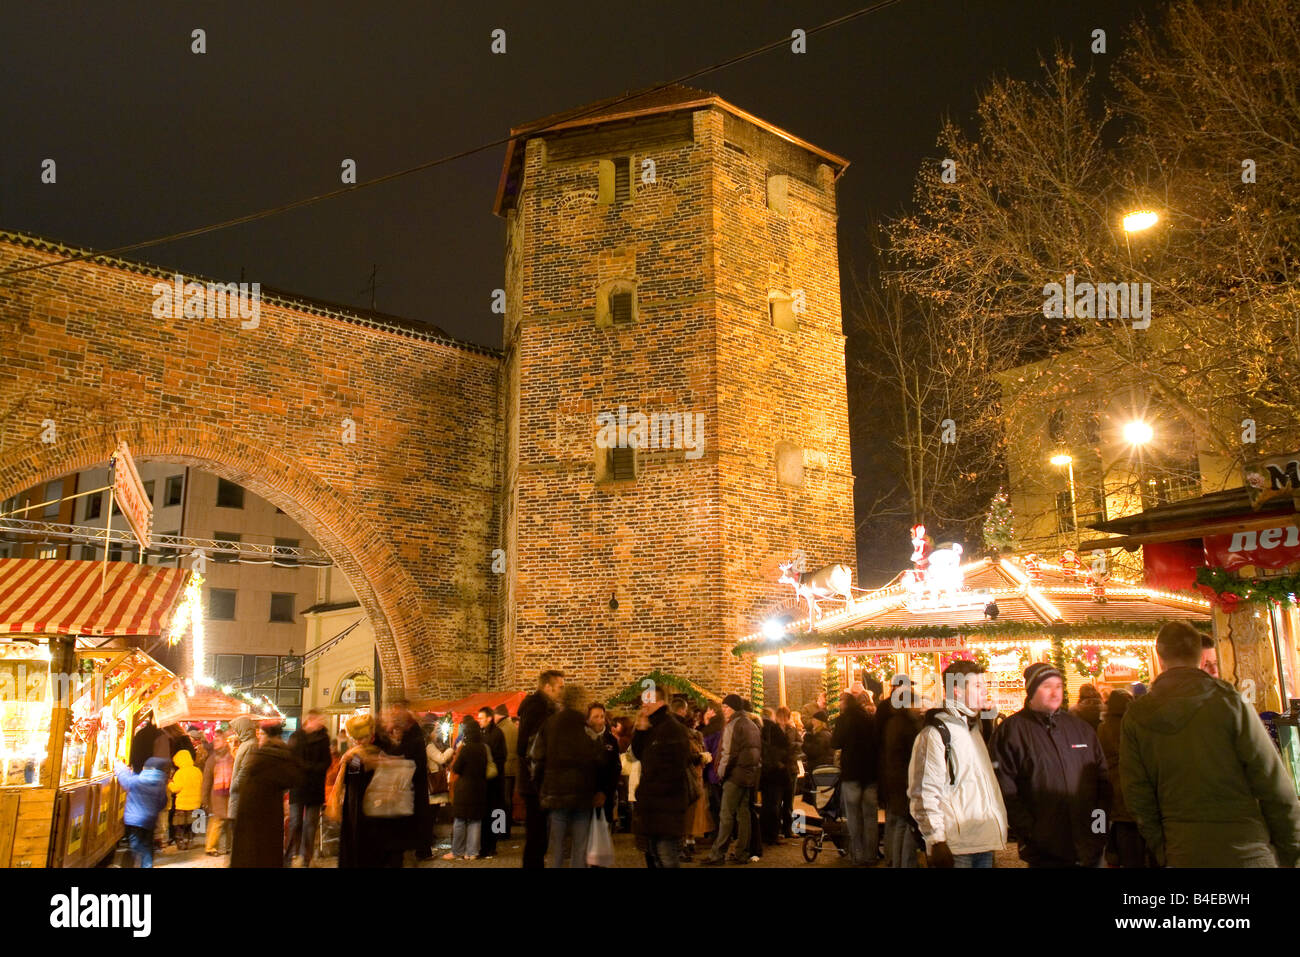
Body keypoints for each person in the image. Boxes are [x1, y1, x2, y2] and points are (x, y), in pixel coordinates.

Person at [1122, 620, 1300, 867]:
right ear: (1199, 657)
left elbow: (1137, 795)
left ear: (1160, 657)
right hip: (1247, 849)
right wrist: (1290, 853)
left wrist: (1165, 849)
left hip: (1183, 850)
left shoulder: (1137, 716)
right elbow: (1273, 783)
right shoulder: (1229, 703)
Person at [991, 663, 1108, 868]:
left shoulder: (1080, 728)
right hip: (1045, 852)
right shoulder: (1012, 731)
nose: (1055, 693)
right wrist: (1032, 833)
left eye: (1059, 686)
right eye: (1047, 686)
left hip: (1090, 848)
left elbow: (1103, 783)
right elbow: (1004, 789)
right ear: (1031, 690)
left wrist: (1099, 830)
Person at [908, 660, 1008, 868]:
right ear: (958, 691)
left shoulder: (973, 728)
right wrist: (936, 840)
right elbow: (924, 791)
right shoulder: (936, 733)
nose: (985, 691)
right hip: (957, 846)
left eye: (985, 686)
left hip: (983, 840)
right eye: (978, 686)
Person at [533, 684, 600, 868]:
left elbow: (537, 756)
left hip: (555, 792)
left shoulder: (550, 723)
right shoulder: (585, 727)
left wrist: (540, 787)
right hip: (582, 793)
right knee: (579, 847)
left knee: (557, 847)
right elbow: (598, 759)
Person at [631, 685, 691, 867]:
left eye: (648, 700)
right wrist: (640, 732)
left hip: (666, 805)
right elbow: (639, 755)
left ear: (661, 702)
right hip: (653, 805)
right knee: (654, 855)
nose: (644, 704)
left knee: (666, 856)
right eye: (643, 700)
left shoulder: (672, 728)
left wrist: (650, 790)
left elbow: (675, 767)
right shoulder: (651, 726)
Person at [231, 721, 301, 868]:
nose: (259, 738)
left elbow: (292, 777)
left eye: (261, 734)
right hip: (266, 813)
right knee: (265, 851)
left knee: (255, 852)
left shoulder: (267, 754)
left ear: (269, 736)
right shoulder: (277, 753)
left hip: (257, 813)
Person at [703, 693, 760, 865]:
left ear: (733, 708)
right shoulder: (752, 724)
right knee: (743, 814)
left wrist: (720, 773)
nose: (724, 711)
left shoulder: (732, 726)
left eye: (726, 707)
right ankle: (742, 852)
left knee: (726, 815)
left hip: (734, 775)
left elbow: (728, 754)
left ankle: (717, 854)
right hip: (748, 775)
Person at [517, 669, 564, 869]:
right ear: (547, 687)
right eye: (560, 687)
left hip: (539, 781)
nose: (562, 691)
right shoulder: (536, 708)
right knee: (537, 835)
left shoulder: (544, 707)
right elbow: (527, 746)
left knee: (540, 835)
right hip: (535, 782)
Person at [376, 698, 431, 863]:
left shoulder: (412, 735)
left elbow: (407, 758)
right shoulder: (411, 733)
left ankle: (420, 851)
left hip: (409, 792)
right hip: (407, 793)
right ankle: (419, 850)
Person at [1096, 688, 1145, 867]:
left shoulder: (1103, 726)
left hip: (1112, 784)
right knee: (1131, 829)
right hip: (1132, 783)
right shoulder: (1134, 723)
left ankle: (1114, 858)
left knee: (1118, 825)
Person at [832, 690, 881, 865]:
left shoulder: (843, 720)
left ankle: (858, 855)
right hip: (869, 774)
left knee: (853, 817)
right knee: (870, 817)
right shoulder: (869, 719)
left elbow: (835, 742)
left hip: (851, 774)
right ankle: (871, 855)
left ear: (845, 703)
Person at [333, 713, 386, 868]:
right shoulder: (357, 755)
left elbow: (353, 780)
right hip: (361, 806)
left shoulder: (355, 755)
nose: (359, 741)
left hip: (359, 806)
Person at [880, 682, 925, 867]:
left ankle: (895, 860)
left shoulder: (892, 722)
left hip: (894, 779)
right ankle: (905, 862)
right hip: (906, 780)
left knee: (899, 823)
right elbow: (913, 753)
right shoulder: (907, 725)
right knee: (907, 824)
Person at [286, 709, 332, 867]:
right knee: (295, 822)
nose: (322, 722)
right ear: (310, 719)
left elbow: (326, 761)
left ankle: (307, 857)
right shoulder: (297, 737)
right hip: (298, 785)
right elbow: (291, 760)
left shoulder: (324, 738)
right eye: (320, 719)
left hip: (315, 787)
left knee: (310, 823)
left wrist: (309, 767)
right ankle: (293, 855)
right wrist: (311, 767)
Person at [670, 698, 711, 859]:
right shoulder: (678, 731)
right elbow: (684, 755)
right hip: (683, 775)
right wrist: (699, 757)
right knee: (683, 813)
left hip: (692, 776)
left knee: (691, 812)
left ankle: (687, 842)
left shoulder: (686, 732)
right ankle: (681, 846)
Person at [116, 756, 170, 868]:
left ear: (145, 768)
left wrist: (118, 765)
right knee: (147, 844)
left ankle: (138, 860)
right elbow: (163, 802)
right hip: (150, 820)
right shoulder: (161, 785)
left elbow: (124, 778)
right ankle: (147, 865)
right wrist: (153, 810)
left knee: (135, 844)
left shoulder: (137, 780)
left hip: (134, 820)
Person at [447, 716, 489, 861]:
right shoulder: (483, 748)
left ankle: (457, 851)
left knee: (460, 820)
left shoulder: (465, 749)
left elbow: (456, 768)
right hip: (479, 787)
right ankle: (472, 852)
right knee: (475, 821)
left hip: (465, 789)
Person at [477, 705, 508, 858]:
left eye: (481, 718)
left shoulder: (496, 734)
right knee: (491, 812)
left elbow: (501, 757)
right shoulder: (484, 733)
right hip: (487, 780)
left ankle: (493, 843)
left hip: (494, 779)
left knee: (495, 811)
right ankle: (490, 843)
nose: (479, 721)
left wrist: (490, 767)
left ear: (489, 718)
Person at [759, 707, 792, 845]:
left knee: (768, 804)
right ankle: (772, 835)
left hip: (766, 773)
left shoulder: (761, 730)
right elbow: (784, 748)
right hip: (777, 772)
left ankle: (766, 834)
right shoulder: (774, 730)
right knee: (774, 804)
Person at [588, 702, 622, 830]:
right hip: (586, 797)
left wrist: (604, 792)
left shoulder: (611, 740)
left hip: (606, 796)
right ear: (588, 719)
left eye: (602, 716)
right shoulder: (583, 738)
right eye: (596, 717)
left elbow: (615, 768)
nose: (600, 720)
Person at [200, 729, 234, 856]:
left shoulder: (231, 757)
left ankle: (227, 846)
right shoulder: (212, 759)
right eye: (215, 740)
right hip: (217, 795)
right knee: (217, 821)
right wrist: (204, 798)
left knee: (226, 821)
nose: (215, 742)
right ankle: (210, 847)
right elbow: (207, 780)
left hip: (229, 794)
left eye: (218, 740)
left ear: (225, 742)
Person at [226, 715, 258, 845]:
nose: (234, 732)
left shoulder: (250, 745)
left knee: (239, 832)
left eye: (236, 729)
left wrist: (235, 785)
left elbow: (245, 770)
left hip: (241, 795)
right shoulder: (246, 744)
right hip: (239, 793)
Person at [167, 748, 203, 845]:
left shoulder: (180, 773)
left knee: (180, 824)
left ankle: (181, 840)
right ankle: (190, 839)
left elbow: (176, 788)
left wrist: (169, 783)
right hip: (196, 803)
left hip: (182, 804)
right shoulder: (197, 771)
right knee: (191, 823)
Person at [495, 703, 518, 838]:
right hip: (512, 769)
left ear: (498, 715)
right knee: (507, 799)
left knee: (502, 801)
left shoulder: (501, 729)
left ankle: (501, 830)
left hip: (504, 769)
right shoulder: (513, 727)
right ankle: (506, 830)